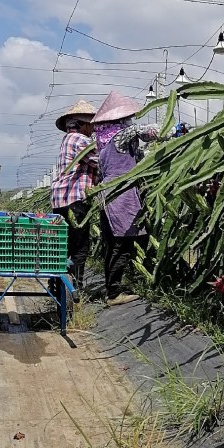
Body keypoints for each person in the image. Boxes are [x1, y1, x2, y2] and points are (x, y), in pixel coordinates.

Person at [92, 91, 158, 306]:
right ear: (120, 119)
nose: (130, 119)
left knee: (113, 244)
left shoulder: (103, 140)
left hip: (109, 193)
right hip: (121, 193)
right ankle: (114, 294)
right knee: (121, 244)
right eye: (127, 117)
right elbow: (146, 132)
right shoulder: (121, 135)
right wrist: (172, 130)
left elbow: (136, 156)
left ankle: (114, 287)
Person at [50, 98, 98, 290]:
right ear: (83, 124)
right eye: (92, 125)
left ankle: (55, 284)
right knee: (80, 247)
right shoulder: (81, 140)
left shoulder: (66, 140)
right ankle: (75, 288)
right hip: (75, 199)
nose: (94, 129)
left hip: (60, 200)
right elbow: (100, 162)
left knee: (63, 245)